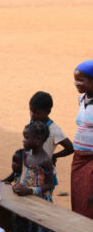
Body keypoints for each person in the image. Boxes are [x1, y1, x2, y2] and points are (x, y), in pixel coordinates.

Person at [71, 60, 93, 219]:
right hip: (79, 159)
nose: (76, 83)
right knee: (79, 200)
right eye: (75, 79)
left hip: (92, 160)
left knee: (89, 202)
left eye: (81, 80)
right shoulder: (82, 99)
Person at [29, 91, 74, 164]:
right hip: (31, 169)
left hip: (44, 171)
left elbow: (70, 147)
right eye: (31, 111)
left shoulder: (54, 130)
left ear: (48, 111)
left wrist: (54, 156)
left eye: (36, 112)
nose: (32, 115)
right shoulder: (31, 121)